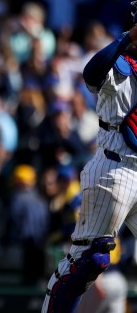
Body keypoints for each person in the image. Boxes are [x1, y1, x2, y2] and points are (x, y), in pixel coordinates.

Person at [41, 21, 137, 313]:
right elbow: (91, 74)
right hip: (113, 169)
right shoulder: (118, 63)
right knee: (88, 260)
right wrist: (126, 38)